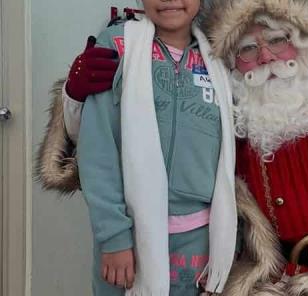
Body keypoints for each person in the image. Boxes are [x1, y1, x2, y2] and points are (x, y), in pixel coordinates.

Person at [39, 0, 308, 295]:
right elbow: (114, 149)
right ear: (233, 62)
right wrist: (75, 100)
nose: (266, 57)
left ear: (303, 40)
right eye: (248, 49)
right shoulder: (235, 115)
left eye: (277, 40)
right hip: (278, 283)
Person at [38, 0, 237, 295]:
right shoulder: (118, 45)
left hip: (201, 238)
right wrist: (114, 236)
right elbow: (98, 149)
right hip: (128, 234)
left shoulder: (220, 57)